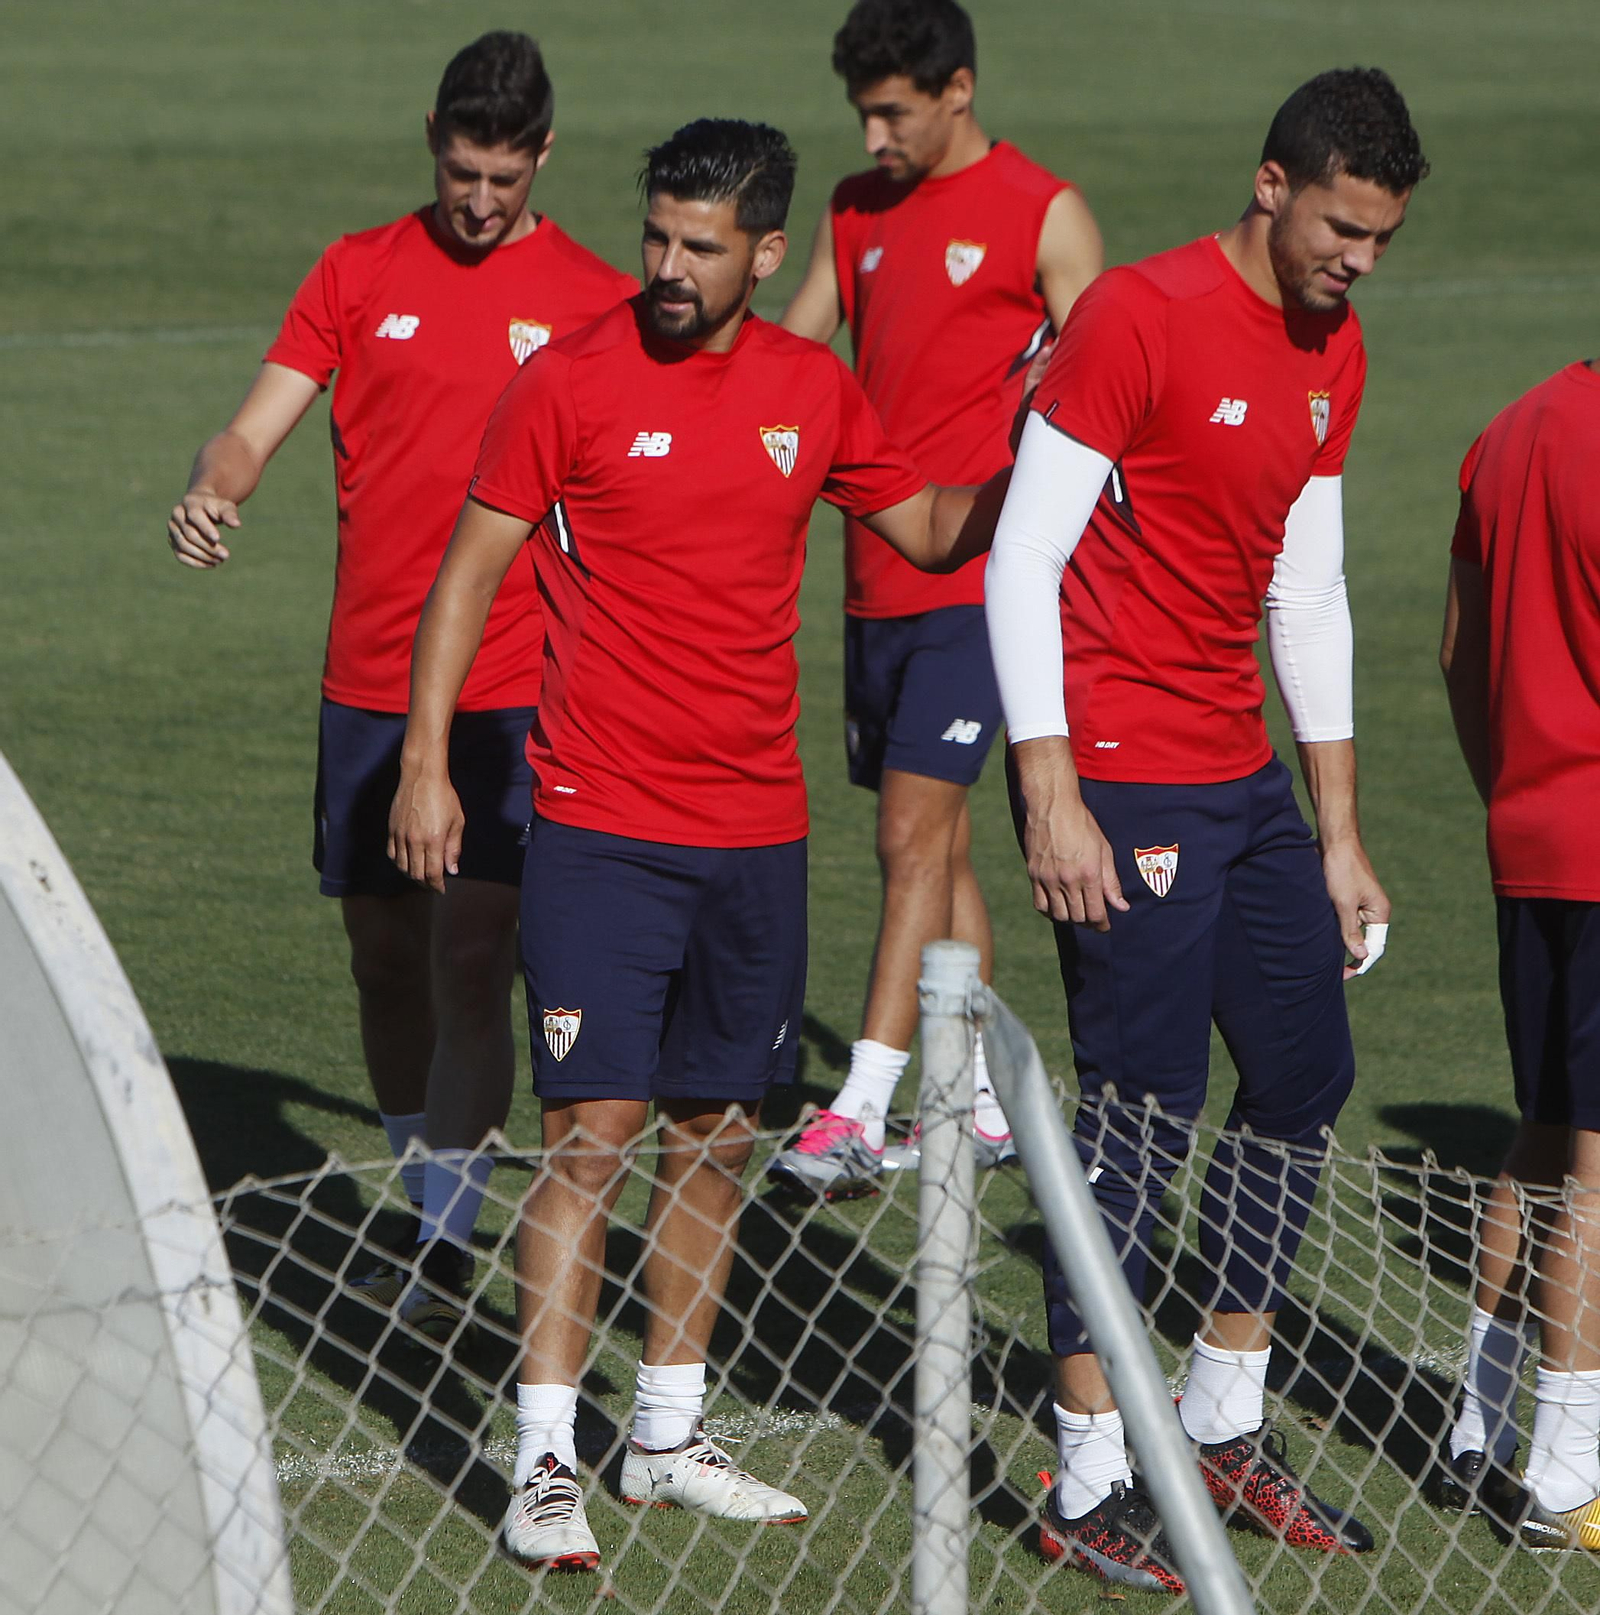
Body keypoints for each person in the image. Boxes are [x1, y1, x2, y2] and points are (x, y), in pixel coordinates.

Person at [387, 118, 1007, 1572]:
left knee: (718, 1135)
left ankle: (664, 1432)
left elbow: (924, 525)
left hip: (757, 835)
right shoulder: (570, 383)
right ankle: (547, 1455)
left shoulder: (811, 387)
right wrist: (427, 763)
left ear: (767, 254)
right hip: (600, 828)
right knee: (589, 1137)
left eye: (699, 247)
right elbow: (468, 571)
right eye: (657, 237)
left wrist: (1049, 437)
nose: (665, 267)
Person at [984, 68, 1427, 1592]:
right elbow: (1020, 563)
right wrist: (1049, 790)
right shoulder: (1137, 318)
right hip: (1115, 768)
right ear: (1272, 183)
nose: (1359, 259)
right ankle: (1091, 1471)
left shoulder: (1334, 349)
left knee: (1304, 1070)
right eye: (1343, 226)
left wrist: (1340, 828)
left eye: (1380, 237)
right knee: (1141, 1111)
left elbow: (1304, 589)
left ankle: (1221, 1417)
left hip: (1235, 776)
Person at [165, 32, 637, 1337]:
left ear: (544, 153)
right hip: (368, 681)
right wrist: (215, 486)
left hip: (510, 688)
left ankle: (438, 1247)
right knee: (385, 956)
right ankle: (426, 1181)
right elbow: (255, 424)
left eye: (502, 176)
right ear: (434, 137)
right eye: (459, 171)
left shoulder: (596, 300)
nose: (478, 200)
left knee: (474, 946)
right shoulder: (356, 271)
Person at [768, 0, 1103, 1199]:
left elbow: (1109, 383)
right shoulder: (854, 210)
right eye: (860, 111)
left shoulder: (1042, 212)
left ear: (958, 89)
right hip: (873, 582)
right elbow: (793, 355)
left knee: (907, 831)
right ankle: (977, 1107)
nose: (872, 135)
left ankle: (857, 1106)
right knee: (940, 844)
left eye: (892, 110)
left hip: (984, 582)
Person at [1438, 359, 1600, 1551]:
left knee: (1544, 1121)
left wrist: (1511, 788)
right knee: (1596, 1162)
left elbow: (1457, 649)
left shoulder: (1509, 425)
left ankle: (1477, 1423)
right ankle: (1564, 1472)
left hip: (1529, 832)